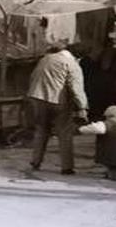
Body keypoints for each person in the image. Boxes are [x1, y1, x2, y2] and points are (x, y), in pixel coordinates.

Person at [27, 41, 89, 175]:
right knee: (64, 133)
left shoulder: (46, 58)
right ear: (79, 57)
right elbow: (76, 88)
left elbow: (33, 77)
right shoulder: (72, 64)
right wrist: (82, 108)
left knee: (41, 130)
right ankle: (67, 167)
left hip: (37, 98)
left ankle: (35, 162)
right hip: (58, 102)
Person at [78, 105, 116, 180]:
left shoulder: (104, 125)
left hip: (111, 155)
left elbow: (88, 130)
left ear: (109, 116)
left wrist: (80, 128)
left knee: (112, 162)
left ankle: (113, 171)